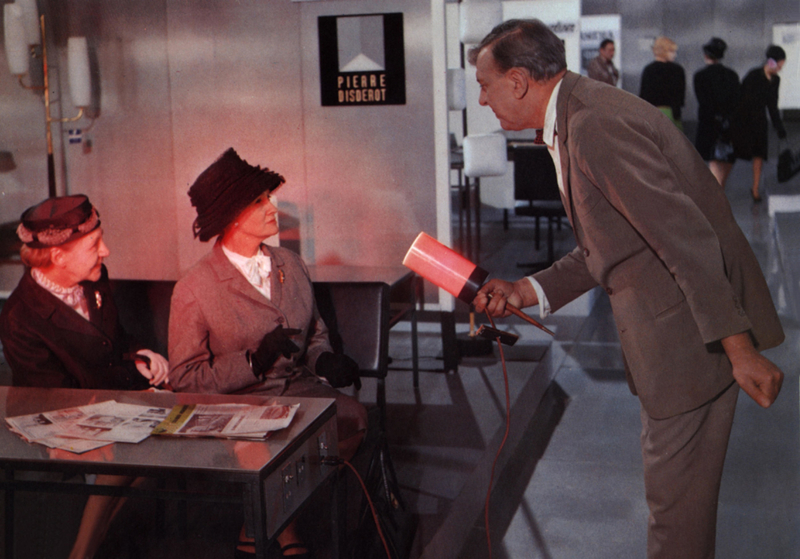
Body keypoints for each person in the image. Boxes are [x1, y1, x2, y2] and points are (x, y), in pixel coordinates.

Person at [468, 19, 785, 559]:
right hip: (676, 340)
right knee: (676, 513)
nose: (481, 99)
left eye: (485, 84)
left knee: (676, 522)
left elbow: (684, 241)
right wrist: (527, 290)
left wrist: (739, 349)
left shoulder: (593, 125)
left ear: (518, 80)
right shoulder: (579, 115)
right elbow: (614, 244)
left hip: (689, 345)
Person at [168, 147, 368, 559]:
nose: (272, 206)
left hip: (299, 390)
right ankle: (287, 530)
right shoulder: (194, 287)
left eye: (268, 197)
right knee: (270, 443)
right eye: (259, 201)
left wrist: (324, 360)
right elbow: (185, 378)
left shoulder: (291, 265)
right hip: (239, 403)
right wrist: (252, 362)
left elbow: (314, 335)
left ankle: (260, 522)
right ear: (232, 217)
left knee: (354, 420)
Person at [0, 194, 170, 559]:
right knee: (137, 460)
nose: (105, 251)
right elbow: (58, 400)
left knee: (151, 461)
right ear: (57, 256)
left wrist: (139, 356)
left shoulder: (92, 278)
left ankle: (85, 551)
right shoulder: (19, 318)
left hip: (108, 410)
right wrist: (129, 394)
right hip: (58, 430)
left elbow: (113, 343)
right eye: (94, 244)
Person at [730, 45, 787, 202]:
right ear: (772, 62)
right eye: (780, 65)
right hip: (745, 119)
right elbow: (742, 99)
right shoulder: (753, 76)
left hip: (760, 121)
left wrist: (778, 126)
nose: (780, 69)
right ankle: (720, 186)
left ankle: (755, 189)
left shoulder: (775, 80)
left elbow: (772, 105)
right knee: (737, 152)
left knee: (759, 155)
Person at [693, 37, 740, 187]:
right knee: (724, 164)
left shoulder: (700, 76)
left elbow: (703, 102)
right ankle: (717, 199)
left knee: (713, 164)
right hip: (729, 126)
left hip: (709, 125)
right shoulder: (732, 75)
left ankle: (715, 203)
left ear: (706, 55)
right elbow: (736, 102)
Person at [640, 36, 686, 129]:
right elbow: (680, 96)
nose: (675, 55)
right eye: (672, 51)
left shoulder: (649, 70)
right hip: (673, 113)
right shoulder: (677, 70)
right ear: (664, 51)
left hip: (652, 114)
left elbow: (644, 95)